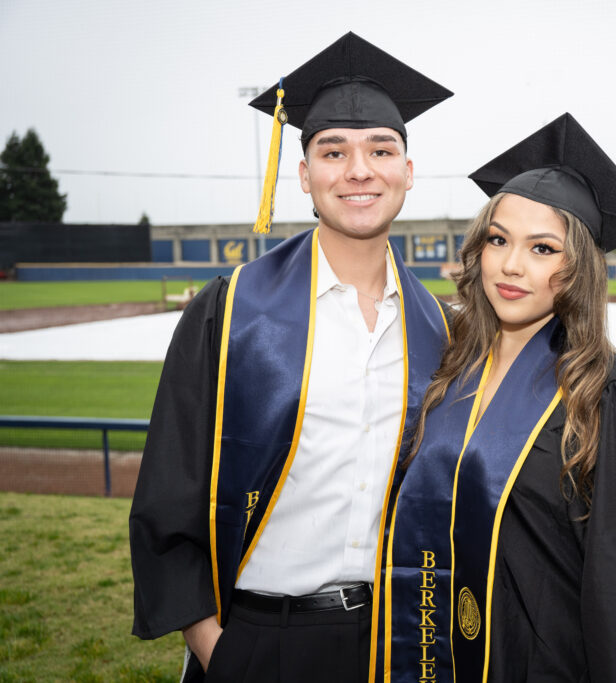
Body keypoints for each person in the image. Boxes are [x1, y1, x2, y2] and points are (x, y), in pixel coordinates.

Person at [129, 33, 452, 682]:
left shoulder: (441, 327)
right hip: (258, 641)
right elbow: (169, 495)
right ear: (304, 174)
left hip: (391, 644)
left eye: (381, 150)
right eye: (333, 151)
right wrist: (218, 649)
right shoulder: (230, 310)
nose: (359, 170)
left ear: (407, 173)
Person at [371, 113, 616, 683]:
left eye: (542, 248)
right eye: (499, 240)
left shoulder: (607, 395)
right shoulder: (452, 370)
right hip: (440, 657)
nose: (510, 265)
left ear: (578, 267)